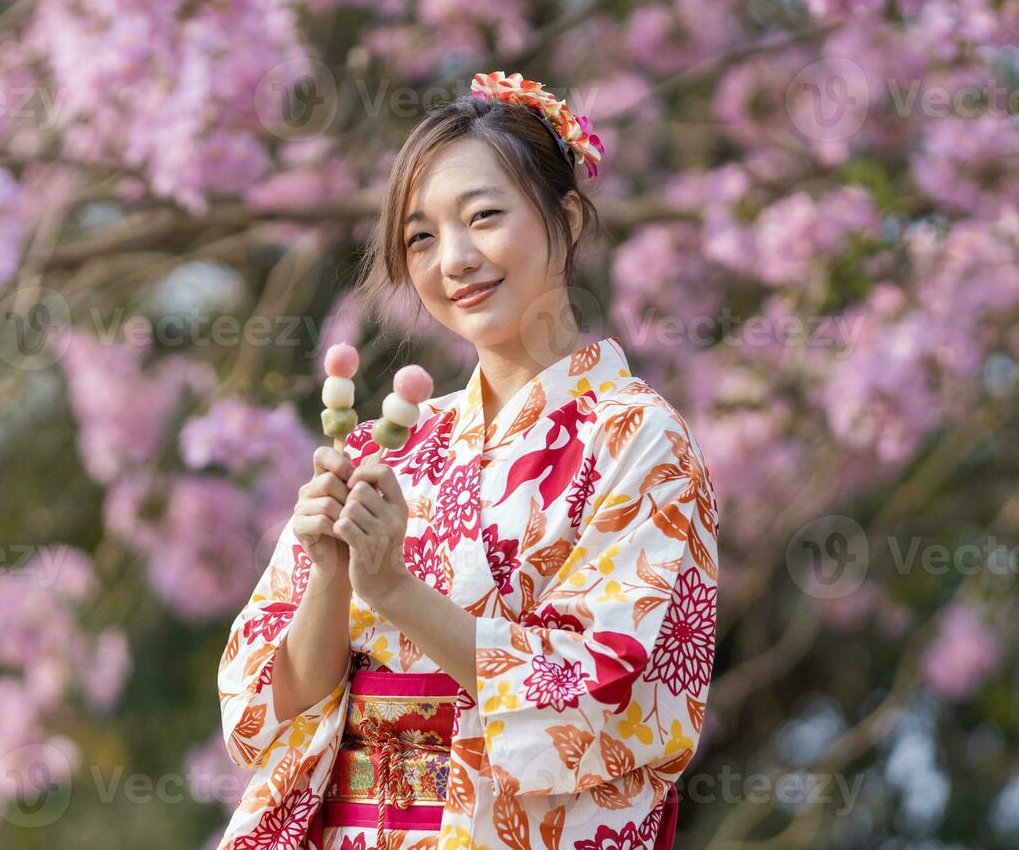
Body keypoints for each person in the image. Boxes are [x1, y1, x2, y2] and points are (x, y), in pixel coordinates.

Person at [217, 72, 719, 850]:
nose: (453, 260)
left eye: (483, 217)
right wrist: (333, 577)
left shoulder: (640, 441)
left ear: (568, 216)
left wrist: (394, 591)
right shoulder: (390, 445)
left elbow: (610, 701)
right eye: (421, 237)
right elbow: (266, 711)